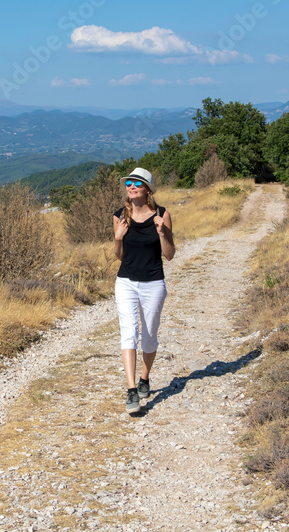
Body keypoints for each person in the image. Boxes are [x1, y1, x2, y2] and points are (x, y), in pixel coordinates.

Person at [112, 167, 175, 413]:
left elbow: (169, 255)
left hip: (153, 282)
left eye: (137, 183)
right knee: (129, 332)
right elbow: (119, 256)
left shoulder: (162, 214)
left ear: (147, 189)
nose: (131, 186)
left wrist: (162, 233)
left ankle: (145, 378)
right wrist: (118, 239)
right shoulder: (119, 216)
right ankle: (131, 390)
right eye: (129, 182)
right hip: (125, 281)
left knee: (149, 335)